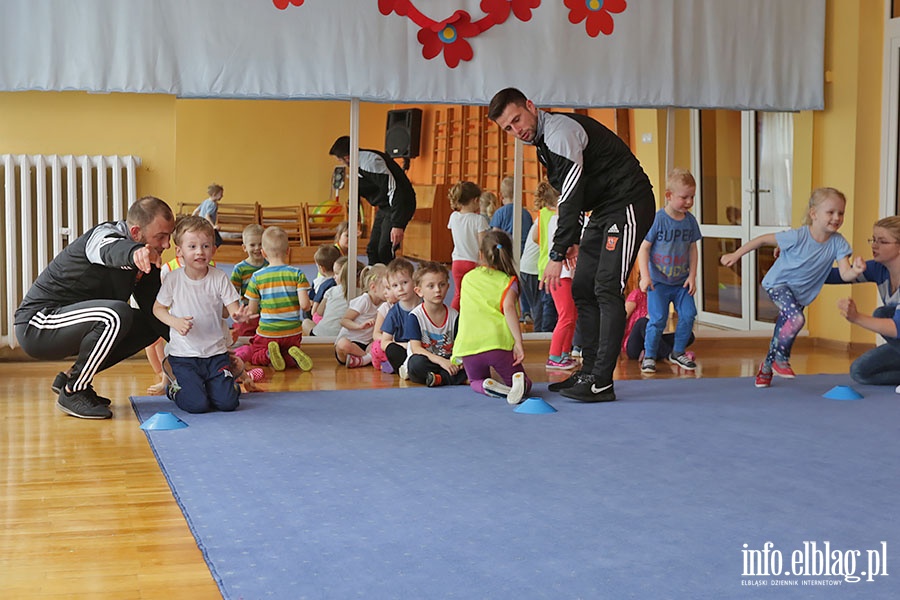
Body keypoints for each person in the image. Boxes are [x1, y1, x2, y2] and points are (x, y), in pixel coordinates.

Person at [489, 87, 656, 403]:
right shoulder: (542, 144)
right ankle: (589, 370)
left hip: (628, 201)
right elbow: (574, 194)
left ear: (530, 106)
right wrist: (574, 242)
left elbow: (570, 194)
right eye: (508, 128)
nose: (517, 129)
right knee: (581, 286)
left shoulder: (559, 132)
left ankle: (602, 381)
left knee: (606, 287)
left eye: (517, 119)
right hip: (604, 209)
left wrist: (555, 252)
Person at [16, 196, 175, 419]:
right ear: (136, 232)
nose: (167, 244)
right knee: (116, 314)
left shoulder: (146, 262)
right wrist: (133, 253)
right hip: (38, 324)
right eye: (161, 236)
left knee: (147, 325)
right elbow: (109, 250)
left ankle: (71, 378)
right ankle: (74, 392)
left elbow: (157, 315)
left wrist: (203, 351)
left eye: (169, 236)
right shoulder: (104, 235)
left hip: (71, 325)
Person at [721, 187, 865, 388]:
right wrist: (736, 254)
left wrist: (856, 270)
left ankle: (765, 369)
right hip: (778, 284)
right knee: (797, 319)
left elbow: (844, 274)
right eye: (830, 212)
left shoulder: (839, 243)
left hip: (800, 295)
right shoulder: (798, 236)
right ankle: (781, 360)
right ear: (813, 214)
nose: (836, 217)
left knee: (782, 332)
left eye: (841, 213)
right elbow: (762, 239)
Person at [153, 216, 247, 413]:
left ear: (213, 249)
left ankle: (224, 386)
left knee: (228, 403)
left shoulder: (219, 277)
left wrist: (238, 315)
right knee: (197, 405)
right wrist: (175, 322)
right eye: (192, 246)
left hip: (216, 355)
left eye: (205, 246)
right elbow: (158, 309)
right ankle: (174, 389)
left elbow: (233, 308)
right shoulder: (173, 279)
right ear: (179, 251)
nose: (200, 252)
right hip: (184, 356)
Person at [452, 230, 531, 405]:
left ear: (480, 254)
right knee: (524, 384)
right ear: (507, 254)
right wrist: (518, 343)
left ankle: (486, 385)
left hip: (470, 346)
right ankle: (516, 381)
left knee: (474, 381)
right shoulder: (508, 281)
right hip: (498, 344)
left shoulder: (467, 278)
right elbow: (509, 308)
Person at [636, 168, 702, 374]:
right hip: (659, 283)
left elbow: (693, 248)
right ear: (669, 196)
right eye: (684, 197)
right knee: (657, 320)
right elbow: (644, 248)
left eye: (692, 196)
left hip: (681, 283)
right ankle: (649, 355)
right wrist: (645, 276)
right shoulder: (658, 220)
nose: (689, 202)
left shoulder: (690, 221)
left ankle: (678, 352)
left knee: (689, 314)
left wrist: (692, 276)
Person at [829, 216, 900, 388]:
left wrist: (856, 317)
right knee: (860, 371)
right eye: (873, 240)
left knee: (882, 314)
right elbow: (835, 275)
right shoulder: (878, 269)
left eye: (882, 241)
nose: (874, 245)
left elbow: (897, 328)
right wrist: (794, 262)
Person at [234, 226, 314, 371]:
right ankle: (292, 355)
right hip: (293, 332)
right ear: (288, 251)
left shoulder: (257, 276)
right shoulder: (297, 273)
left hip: (268, 331)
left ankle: (268, 354)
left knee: (254, 354)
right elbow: (305, 306)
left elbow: (252, 310)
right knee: (287, 352)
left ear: (263, 253)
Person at [328, 136, 417, 265]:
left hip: (400, 204)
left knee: (384, 250)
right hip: (385, 206)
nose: (341, 162)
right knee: (372, 250)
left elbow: (394, 189)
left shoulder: (370, 161)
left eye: (340, 160)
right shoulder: (355, 166)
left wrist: (398, 224)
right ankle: (372, 281)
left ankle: (390, 281)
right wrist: (354, 222)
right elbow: (356, 193)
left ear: (347, 157)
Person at [405, 261, 467, 387]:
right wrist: (441, 361)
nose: (438, 290)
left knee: (472, 361)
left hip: (449, 361)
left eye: (442, 285)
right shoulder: (415, 317)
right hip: (427, 360)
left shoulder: (454, 316)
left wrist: (456, 361)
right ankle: (449, 378)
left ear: (448, 287)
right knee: (415, 364)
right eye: (431, 286)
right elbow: (416, 348)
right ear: (419, 291)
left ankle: (438, 379)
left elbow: (459, 346)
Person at [543, 187, 579, 370]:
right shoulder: (557, 222)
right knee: (566, 316)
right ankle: (554, 355)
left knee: (571, 316)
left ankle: (564, 353)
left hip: (568, 275)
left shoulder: (562, 221)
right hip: (561, 276)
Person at [448, 181, 490, 311]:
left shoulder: (454, 217)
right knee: (475, 293)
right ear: (476, 200)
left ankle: (452, 320)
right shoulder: (479, 220)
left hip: (457, 262)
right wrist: (485, 261)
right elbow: (482, 244)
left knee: (458, 294)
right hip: (473, 262)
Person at [622, 286, 695, 362]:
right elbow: (621, 319)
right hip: (633, 345)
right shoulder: (637, 294)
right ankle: (671, 354)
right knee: (643, 322)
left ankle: (650, 354)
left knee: (688, 335)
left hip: (652, 339)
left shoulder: (660, 297)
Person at [335, 263, 387, 368]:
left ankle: (362, 360)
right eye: (387, 288)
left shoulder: (384, 304)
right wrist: (359, 326)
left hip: (367, 344)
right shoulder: (364, 300)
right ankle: (367, 358)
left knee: (381, 343)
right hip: (351, 343)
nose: (390, 292)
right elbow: (344, 320)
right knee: (342, 344)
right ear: (373, 287)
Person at [381, 257, 421, 376]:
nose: (400, 289)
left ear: (414, 281)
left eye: (404, 283)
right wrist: (405, 346)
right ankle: (406, 369)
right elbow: (384, 342)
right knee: (392, 350)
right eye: (395, 285)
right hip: (404, 350)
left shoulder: (425, 306)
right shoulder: (394, 312)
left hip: (423, 349)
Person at [230, 224, 268, 339]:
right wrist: (237, 312)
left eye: (260, 244)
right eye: (252, 245)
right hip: (248, 311)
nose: (257, 248)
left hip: (268, 311)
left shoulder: (269, 266)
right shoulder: (240, 269)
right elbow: (232, 293)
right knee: (245, 336)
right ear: (244, 247)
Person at [531, 180, 560, 333]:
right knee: (552, 305)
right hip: (554, 266)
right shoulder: (559, 214)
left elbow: (535, 237)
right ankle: (548, 333)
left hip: (543, 265)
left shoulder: (541, 214)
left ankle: (545, 332)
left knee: (545, 303)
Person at [304, 256, 350, 338]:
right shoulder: (362, 292)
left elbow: (318, 312)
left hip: (322, 336)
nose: (334, 276)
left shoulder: (331, 290)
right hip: (348, 337)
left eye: (336, 273)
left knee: (306, 322)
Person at [309, 244, 342, 320]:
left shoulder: (320, 283)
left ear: (322, 268)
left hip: (324, 317)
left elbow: (313, 310)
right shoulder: (344, 279)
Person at [193, 182, 224, 247]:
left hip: (201, 225)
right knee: (218, 242)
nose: (222, 196)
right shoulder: (213, 204)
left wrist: (193, 220)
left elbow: (196, 211)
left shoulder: (205, 201)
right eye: (220, 194)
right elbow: (207, 216)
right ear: (214, 194)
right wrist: (213, 226)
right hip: (208, 226)